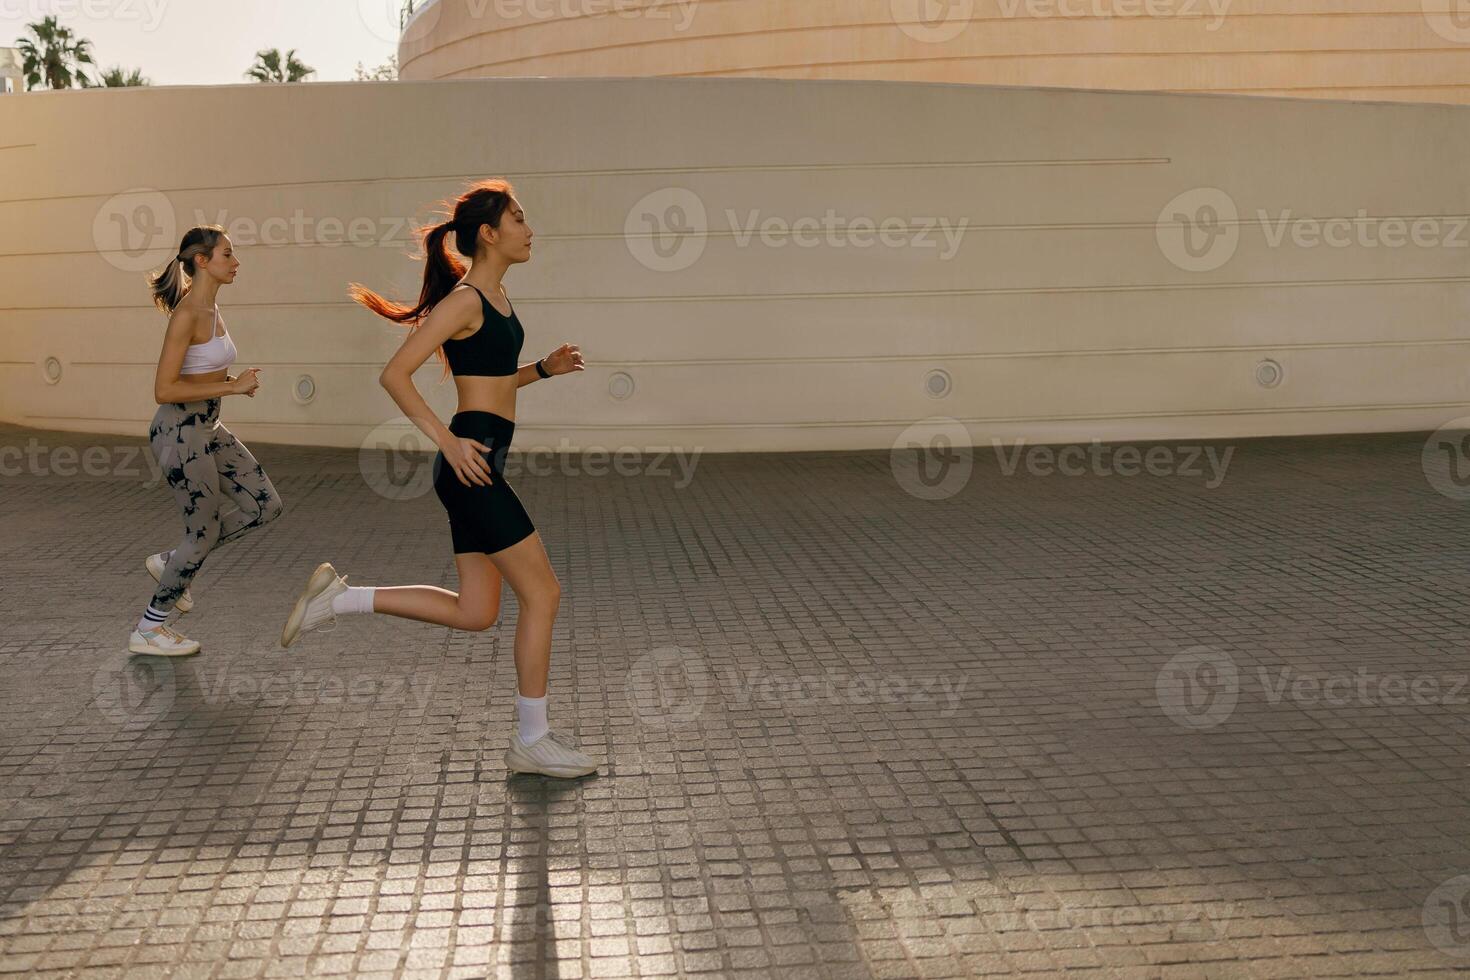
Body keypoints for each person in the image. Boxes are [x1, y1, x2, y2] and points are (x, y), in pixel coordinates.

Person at [279, 179, 596, 780]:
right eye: (520, 218)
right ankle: (532, 739)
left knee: (477, 611)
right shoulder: (467, 298)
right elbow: (395, 374)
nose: (530, 230)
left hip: (479, 464)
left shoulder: (495, 298)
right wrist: (447, 443)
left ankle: (340, 598)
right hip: (469, 467)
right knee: (544, 594)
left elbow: (493, 385)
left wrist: (543, 371)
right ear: (489, 232)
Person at [130, 225, 283, 657]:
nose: (236, 263)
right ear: (202, 261)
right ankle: (149, 629)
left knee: (265, 505)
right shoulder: (187, 315)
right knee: (201, 532)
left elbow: (203, 375)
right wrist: (231, 389)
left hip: (209, 429)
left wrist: (232, 383)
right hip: (179, 432)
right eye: (228, 255)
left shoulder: (213, 311)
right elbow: (164, 389)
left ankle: (170, 563)